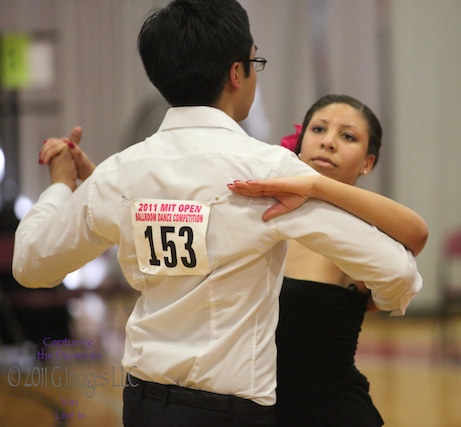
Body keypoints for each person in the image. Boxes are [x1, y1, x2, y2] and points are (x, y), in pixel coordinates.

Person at [12, 1, 424, 426]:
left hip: (143, 408)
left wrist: (61, 185)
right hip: (233, 413)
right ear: (236, 74)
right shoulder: (269, 173)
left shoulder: (122, 173)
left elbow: (31, 265)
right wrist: (385, 302)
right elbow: (398, 272)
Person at [227, 94, 427, 426]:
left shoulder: (363, 235)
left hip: (329, 412)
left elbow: (417, 234)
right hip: (249, 410)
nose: (329, 142)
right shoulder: (263, 214)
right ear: (301, 143)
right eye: (319, 129)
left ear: (368, 162)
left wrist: (317, 187)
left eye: (347, 136)